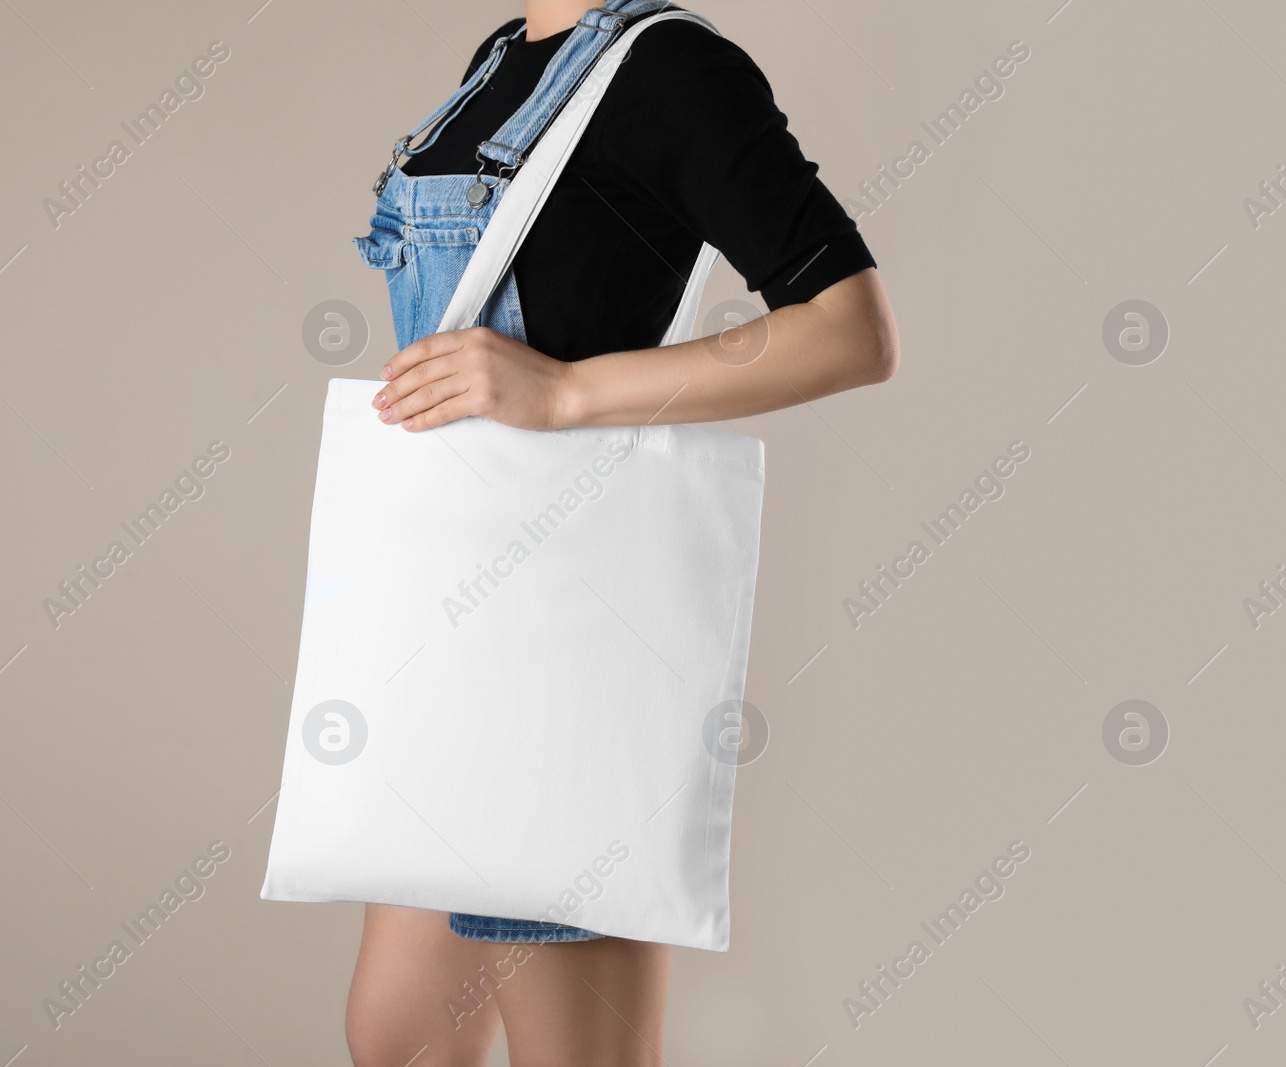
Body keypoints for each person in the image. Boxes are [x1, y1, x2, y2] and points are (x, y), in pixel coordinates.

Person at [345, 2, 898, 1064]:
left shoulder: (675, 70)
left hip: (559, 633)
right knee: (398, 1035)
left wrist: (563, 395)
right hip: (446, 618)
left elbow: (850, 329)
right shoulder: (502, 59)